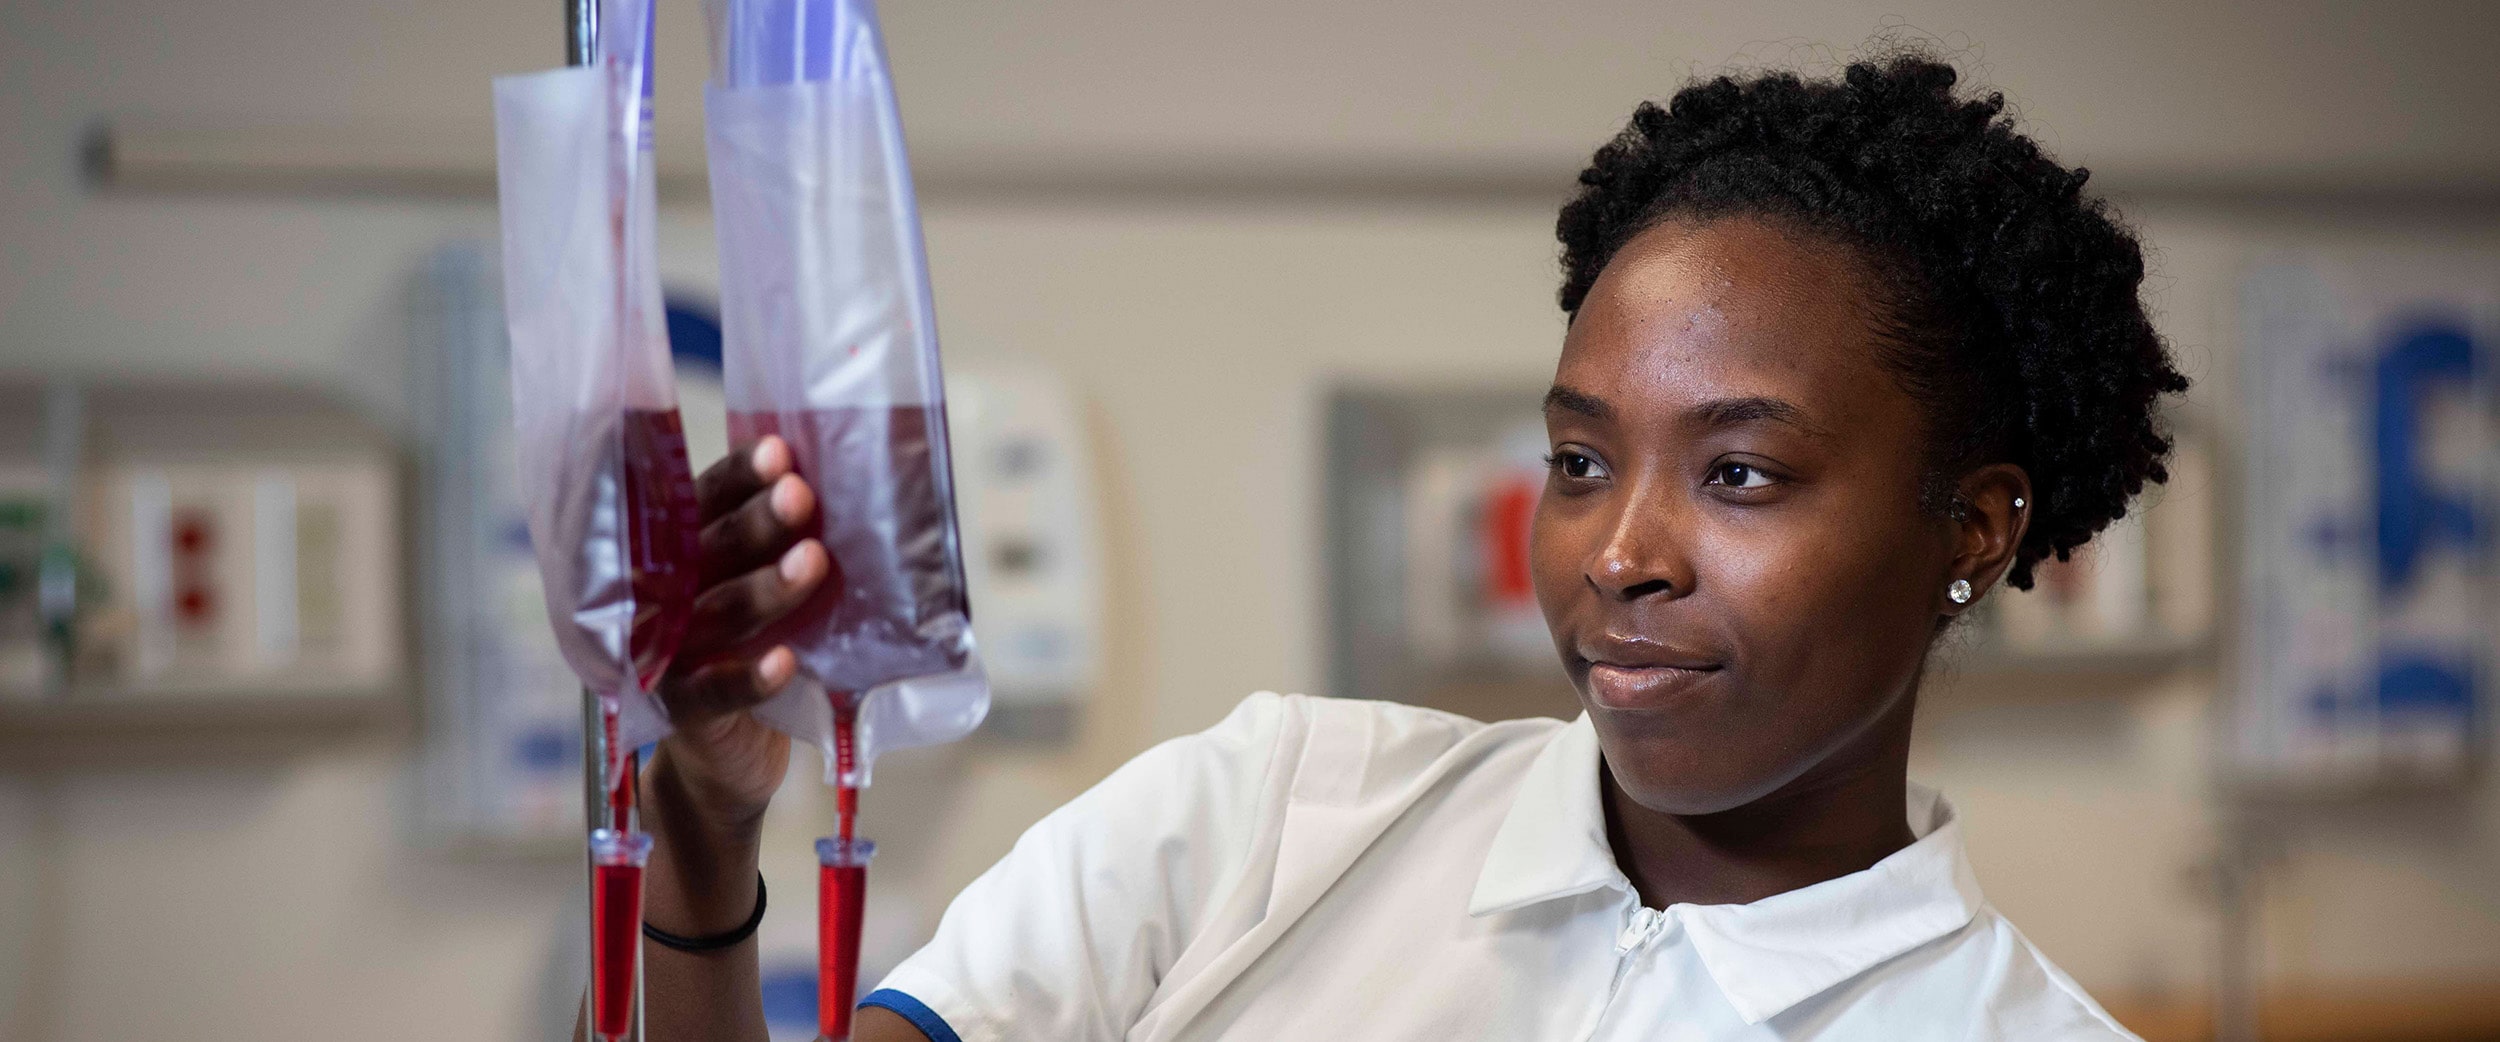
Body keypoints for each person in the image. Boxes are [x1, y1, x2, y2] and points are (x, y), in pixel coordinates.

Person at [629, 53, 2186, 1041]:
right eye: (1581, 459)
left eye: (1742, 472)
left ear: (1975, 527)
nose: (1621, 550)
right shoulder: (1266, 822)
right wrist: (704, 827)